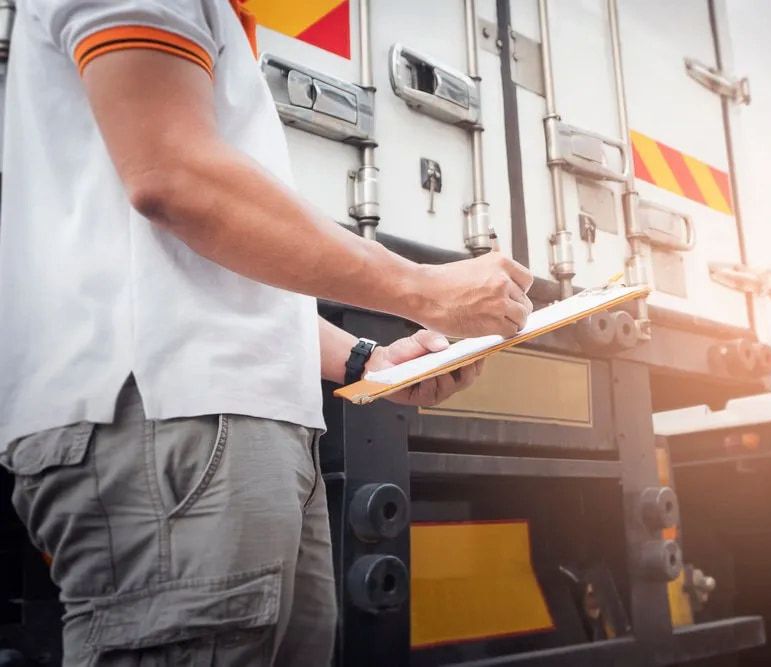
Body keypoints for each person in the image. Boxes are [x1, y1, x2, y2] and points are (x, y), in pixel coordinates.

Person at [0, 1, 534, 665]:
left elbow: (202, 268)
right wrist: (427, 289)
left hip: (214, 426)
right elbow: (173, 177)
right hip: (170, 426)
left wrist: (368, 360)